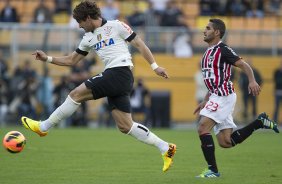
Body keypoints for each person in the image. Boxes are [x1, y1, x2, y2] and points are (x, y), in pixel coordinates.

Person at [21, 0, 176, 172]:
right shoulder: (88, 37)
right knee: (125, 126)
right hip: (116, 78)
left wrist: (155, 66)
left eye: (80, 22)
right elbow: (72, 60)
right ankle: (166, 147)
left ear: (88, 18)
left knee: (75, 94)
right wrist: (47, 58)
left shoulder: (117, 26)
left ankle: (43, 127)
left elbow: (139, 44)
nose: (79, 26)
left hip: (120, 72)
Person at [193, 18, 279, 178]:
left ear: (217, 32)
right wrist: (205, 99)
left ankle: (213, 171)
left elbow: (244, 65)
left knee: (202, 128)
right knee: (226, 142)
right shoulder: (206, 53)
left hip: (223, 95)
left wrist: (252, 80)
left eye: (208, 28)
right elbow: (212, 80)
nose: (204, 31)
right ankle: (260, 122)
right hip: (214, 96)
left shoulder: (223, 49)